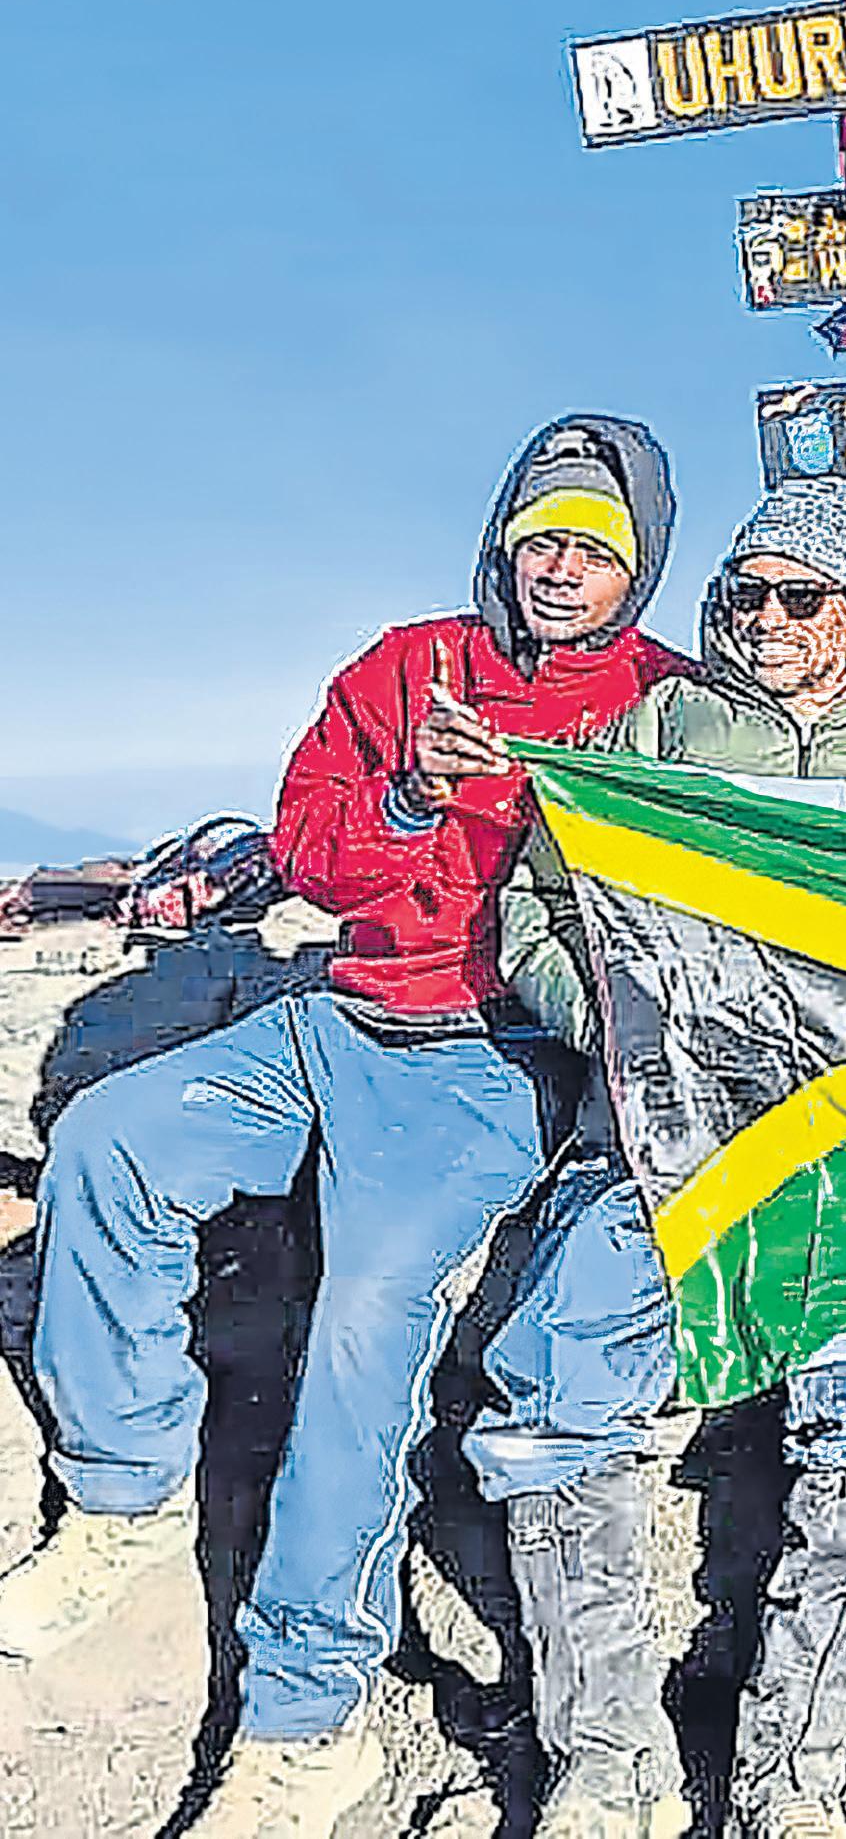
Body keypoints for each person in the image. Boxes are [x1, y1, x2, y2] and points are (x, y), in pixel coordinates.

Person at [0, 416, 683, 1839]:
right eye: (543, 537)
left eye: (595, 551)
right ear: (506, 541)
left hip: (490, 1065)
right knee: (110, 1141)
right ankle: (124, 1484)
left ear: (638, 572)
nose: (562, 568)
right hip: (335, 1016)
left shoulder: (660, 705)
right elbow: (308, 852)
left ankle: (306, 1717)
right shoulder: (406, 665)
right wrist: (407, 790)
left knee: (369, 1322)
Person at [480, 478, 846, 1839]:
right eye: (742, 594)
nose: (762, 619)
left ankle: (794, 1770)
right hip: (660, 1140)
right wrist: (620, 1030)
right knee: (552, 1389)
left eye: (797, 595)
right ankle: (606, 1757)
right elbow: (537, 901)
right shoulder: (659, 730)